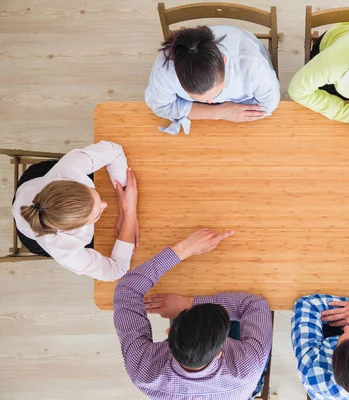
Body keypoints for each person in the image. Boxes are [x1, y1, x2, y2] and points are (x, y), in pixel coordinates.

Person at [113, 227, 273, 400]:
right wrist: (189, 303)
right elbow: (255, 304)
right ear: (220, 351)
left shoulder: (143, 371)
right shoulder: (248, 365)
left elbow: (127, 290)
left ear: (170, 332)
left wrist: (184, 249)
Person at [11, 141, 139, 281]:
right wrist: (130, 214)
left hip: (34, 179)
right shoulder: (64, 249)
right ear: (75, 228)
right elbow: (116, 271)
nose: (106, 204)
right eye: (97, 214)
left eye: (93, 192)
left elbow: (114, 151)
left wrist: (124, 206)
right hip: (32, 236)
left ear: (73, 182)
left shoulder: (68, 169)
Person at [145, 25, 280, 135]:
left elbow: (267, 106)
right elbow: (160, 106)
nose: (210, 103)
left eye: (215, 95)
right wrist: (219, 112)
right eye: (200, 99)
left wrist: (194, 109)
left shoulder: (253, 66)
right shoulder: (164, 70)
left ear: (224, 61)